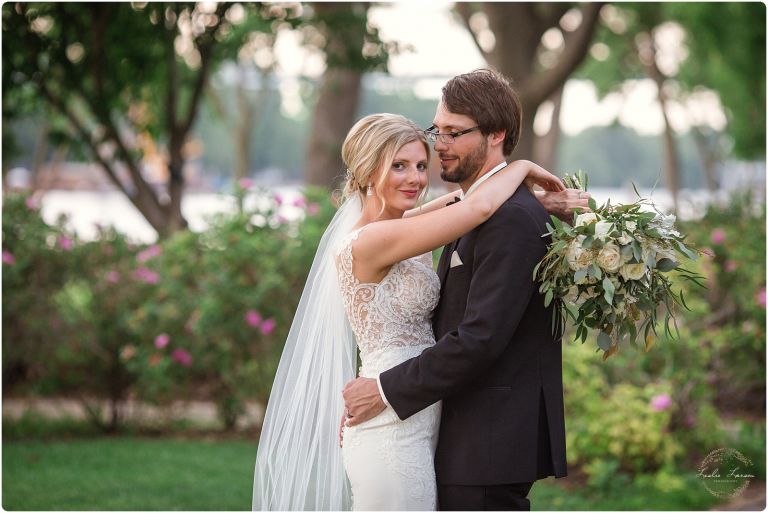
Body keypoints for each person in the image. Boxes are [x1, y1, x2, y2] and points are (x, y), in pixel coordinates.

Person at [253, 75, 588, 512]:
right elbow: (475, 207)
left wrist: (534, 200)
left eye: (419, 162)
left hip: (432, 419)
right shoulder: (375, 239)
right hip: (394, 417)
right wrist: (522, 168)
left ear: (496, 134)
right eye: (400, 165)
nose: (418, 173)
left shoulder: (412, 223)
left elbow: (467, 210)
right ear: (367, 170)